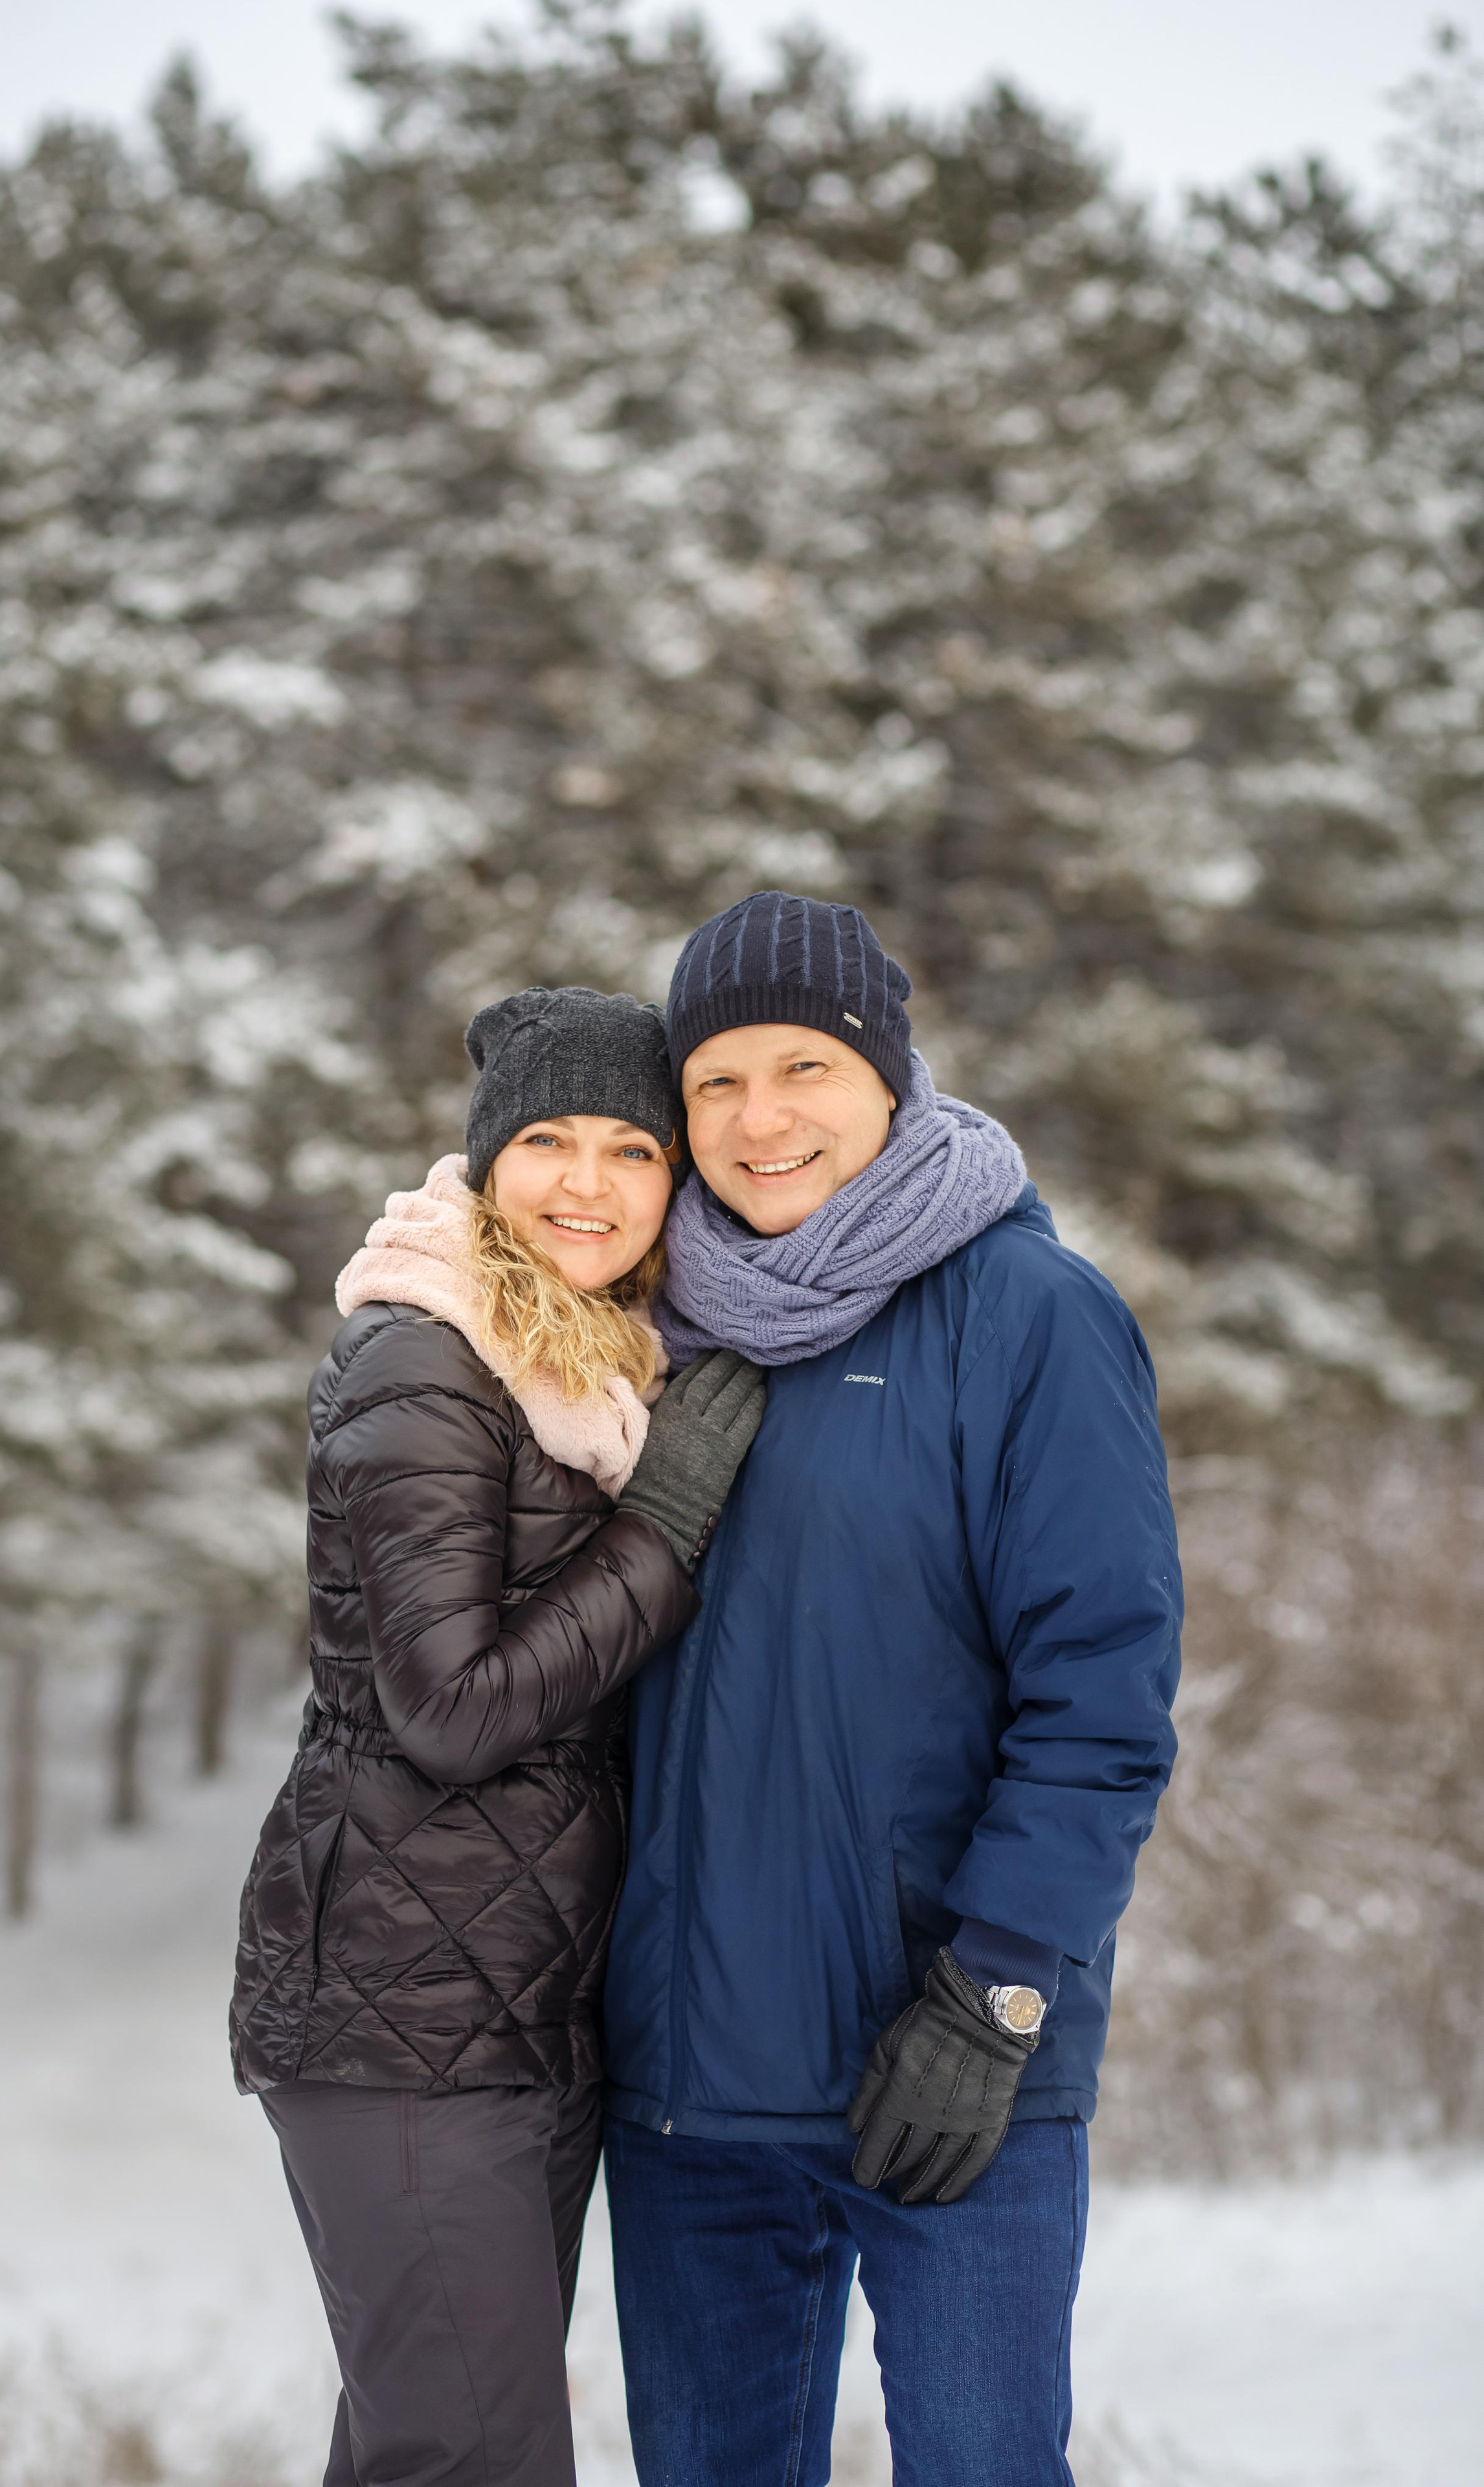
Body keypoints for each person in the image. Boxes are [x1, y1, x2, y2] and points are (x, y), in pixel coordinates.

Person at [601, 893, 1183, 2487]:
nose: (759, 1119)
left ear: (889, 1077)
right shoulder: (642, 1326)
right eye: (715, 1081)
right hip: (686, 2093)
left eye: (803, 1067)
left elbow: (1101, 1696)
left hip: (946, 2068)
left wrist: (996, 1992)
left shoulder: (1026, 1315)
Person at [230, 985, 765, 2487]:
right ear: (484, 1160)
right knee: (472, 2458)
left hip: (519, 2005)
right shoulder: (427, 1359)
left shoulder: (597, 1374)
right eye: (546, 1142)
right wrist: (663, 1529)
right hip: (401, 2008)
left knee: (432, 2451)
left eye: (631, 1150)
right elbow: (449, 1710)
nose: (587, 1183)